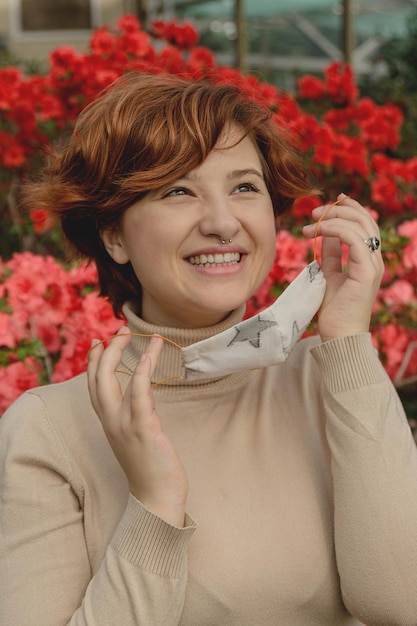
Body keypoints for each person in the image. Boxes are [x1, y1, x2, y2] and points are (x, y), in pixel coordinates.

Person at [1, 72, 416, 626]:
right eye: (178, 190)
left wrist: (346, 341)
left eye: (245, 187)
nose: (223, 223)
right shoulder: (49, 429)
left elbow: (400, 601)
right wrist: (152, 505)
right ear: (114, 235)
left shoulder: (329, 382)